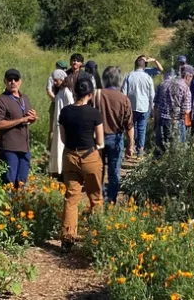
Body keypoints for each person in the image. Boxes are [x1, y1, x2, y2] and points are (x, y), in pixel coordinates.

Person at [59, 77, 104, 250]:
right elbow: (99, 141)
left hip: (70, 155)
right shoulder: (94, 113)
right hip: (89, 155)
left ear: (75, 93)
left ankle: (67, 238)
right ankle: (97, 235)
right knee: (95, 197)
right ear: (90, 95)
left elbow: (63, 138)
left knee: (71, 198)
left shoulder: (65, 112)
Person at [94, 66, 135, 203]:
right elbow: (129, 125)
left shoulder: (96, 95)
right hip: (116, 138)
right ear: (119, 80)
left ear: (104, 79)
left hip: (96, 138)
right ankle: (110, 200)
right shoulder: (123, 99)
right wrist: (131, 145)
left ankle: (97, 198)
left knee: (98, 170)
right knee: (114, 172)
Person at [0, 69, 37, 186]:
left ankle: (18, 204)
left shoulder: (24, 98)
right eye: (9, 79)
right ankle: (7, 204)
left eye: (15, 79)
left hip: (24, 147)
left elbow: (26, 120)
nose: (13, 82)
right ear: (5, 81)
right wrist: (22, 119)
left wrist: (32, 119)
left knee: (22, 182)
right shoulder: (0, 100)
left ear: (20, 81)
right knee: (9, 182)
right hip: (8, 148)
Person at [154, 64, 193, 154]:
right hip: (176, 122)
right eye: (191, 77)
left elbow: (156, 105)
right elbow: (186, 111)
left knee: (159, 150)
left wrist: (155, 123)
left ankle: (156, 165)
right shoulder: (185, 88)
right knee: (177, 151)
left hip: (162, 120)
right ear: (188, 76)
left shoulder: (163, 83)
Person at [121, 57, 156, 156]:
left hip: (131, 106)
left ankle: (131, 145)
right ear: (144, 66)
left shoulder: (129, 76)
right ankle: (140, 148)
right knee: (142, 128)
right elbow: (151, 94)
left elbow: (123, 93)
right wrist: (153, 108)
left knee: (131, 127)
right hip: (144, 107)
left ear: (135, 65)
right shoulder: (148, 77)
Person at [49, 72, 75, 178]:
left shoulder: (66, 92)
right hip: (58, 124)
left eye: (56, 80)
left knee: (61, 148)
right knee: (56, 148)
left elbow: (71, 107)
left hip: (63, 125)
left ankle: (62, 171)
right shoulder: (60, 91)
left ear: (62, 79)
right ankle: (56, 170)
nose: (55, 83)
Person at [47, 61, 69, 149]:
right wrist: (56, 100)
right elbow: (49, 91)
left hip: (64, 104)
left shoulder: (66, 77)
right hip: (55, 103)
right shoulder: (52, 77)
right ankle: (50, 146)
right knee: (53, 126)